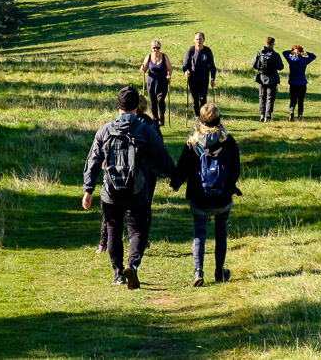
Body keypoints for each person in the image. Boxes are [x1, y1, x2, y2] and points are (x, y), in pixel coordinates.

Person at [82, 86, 175, 289]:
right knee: (138, 231)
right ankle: (132, 265)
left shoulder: (105, 130)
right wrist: (175, 178)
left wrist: (88, 189)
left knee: (113, 229)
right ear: (137, 107)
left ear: (118, 106)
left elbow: (93, 160)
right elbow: (162, 157)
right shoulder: (146, 131)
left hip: (110, 192)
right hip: (137, 191)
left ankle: (117, 273)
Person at [170, 103, 241, 287]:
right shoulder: (228, 141)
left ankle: (198, 271)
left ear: (200, 120)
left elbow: (183, 168)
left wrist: (175, 183)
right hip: (222, 197)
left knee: (199, 234)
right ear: (219, 119)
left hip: (200, 197)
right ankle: (219, 271)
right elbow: (236, 170)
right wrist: (229, 184)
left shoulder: (193, 144)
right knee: (221, 234)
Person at [97, 93, 162, 253]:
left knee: (112, 209)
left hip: (117, 171)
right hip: (145, 174)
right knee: (144, 207)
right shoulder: (151, 126)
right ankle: (141, 241)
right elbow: (159, 148)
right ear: (144, 108)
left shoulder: (118, 123)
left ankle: (104, 242)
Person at [181, 31, 217, 117]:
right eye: (197, 39)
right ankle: (197, 116)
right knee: (195, 100)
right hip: (193, 79)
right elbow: (185, 66)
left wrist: (213, 78)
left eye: (200, 39)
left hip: (204, 79)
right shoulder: (190, 50)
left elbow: (212, 67)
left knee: (203, 99)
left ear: (204, 40)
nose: (198, 41)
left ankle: (203, 116)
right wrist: (186, 71)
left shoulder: (207, 51)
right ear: (194, 40)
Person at [251, 36, 285, 122]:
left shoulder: (259, 53)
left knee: (261, 97)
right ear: (273, 44)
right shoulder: (276, 55)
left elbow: (253, 64)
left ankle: (262, 115)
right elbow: (281, 67)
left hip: (261, 78)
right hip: (272, 79)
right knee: (270, 98)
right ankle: (268, 116)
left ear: (265, 43)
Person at [139, 39, 173, 125]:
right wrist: (142, 69)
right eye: (154, 48)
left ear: (160, 48)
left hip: (162, 82)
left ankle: (161, 116)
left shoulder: (165, 57)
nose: (156, 50)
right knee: (153, 101)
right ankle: (155, 119)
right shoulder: (149, 57)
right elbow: (144, 68)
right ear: (151, 48)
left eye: (158, 48)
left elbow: (169, 68)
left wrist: (169, 75)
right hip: (152, 82)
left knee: (160, 99)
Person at [284, 44, 317, 121]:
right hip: (302, 83)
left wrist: (291, 52)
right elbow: (314, 56)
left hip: (293, 83)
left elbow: (284, 53)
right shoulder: (304, 60)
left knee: (293, 100)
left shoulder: (291, 59)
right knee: (301, 100)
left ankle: (291, 111)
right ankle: (300, 115)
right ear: (302, 51)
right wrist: (307, 54)